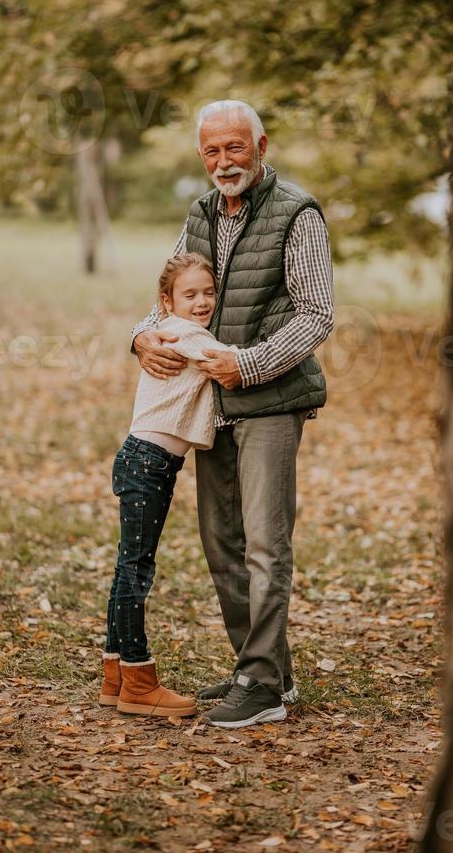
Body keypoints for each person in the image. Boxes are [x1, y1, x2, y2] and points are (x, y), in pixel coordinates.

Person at [131, 100, 334, 728]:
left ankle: (264, 685)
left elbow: (316, 315)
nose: (224, 162)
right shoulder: (200, 215)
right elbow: (168, 297)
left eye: (235, 148)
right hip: (209, 404)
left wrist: (248, 366)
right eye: (212, 152)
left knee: (266, 544)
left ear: (261, 145)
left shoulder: (297, 213)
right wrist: (140, 337)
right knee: (222, 543)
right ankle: (261, 668)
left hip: (270, 400)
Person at [100, 252, 239, 718]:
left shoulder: (173, 329)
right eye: (190, 294)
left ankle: (115, 674)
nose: (202, 302)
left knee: (128, 566)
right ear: (167, 301)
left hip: (145, 461)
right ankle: (138, 679)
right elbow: (228, 365)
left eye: (208, 293)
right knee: (135, 569)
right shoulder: (185, 334)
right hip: (148, 463)